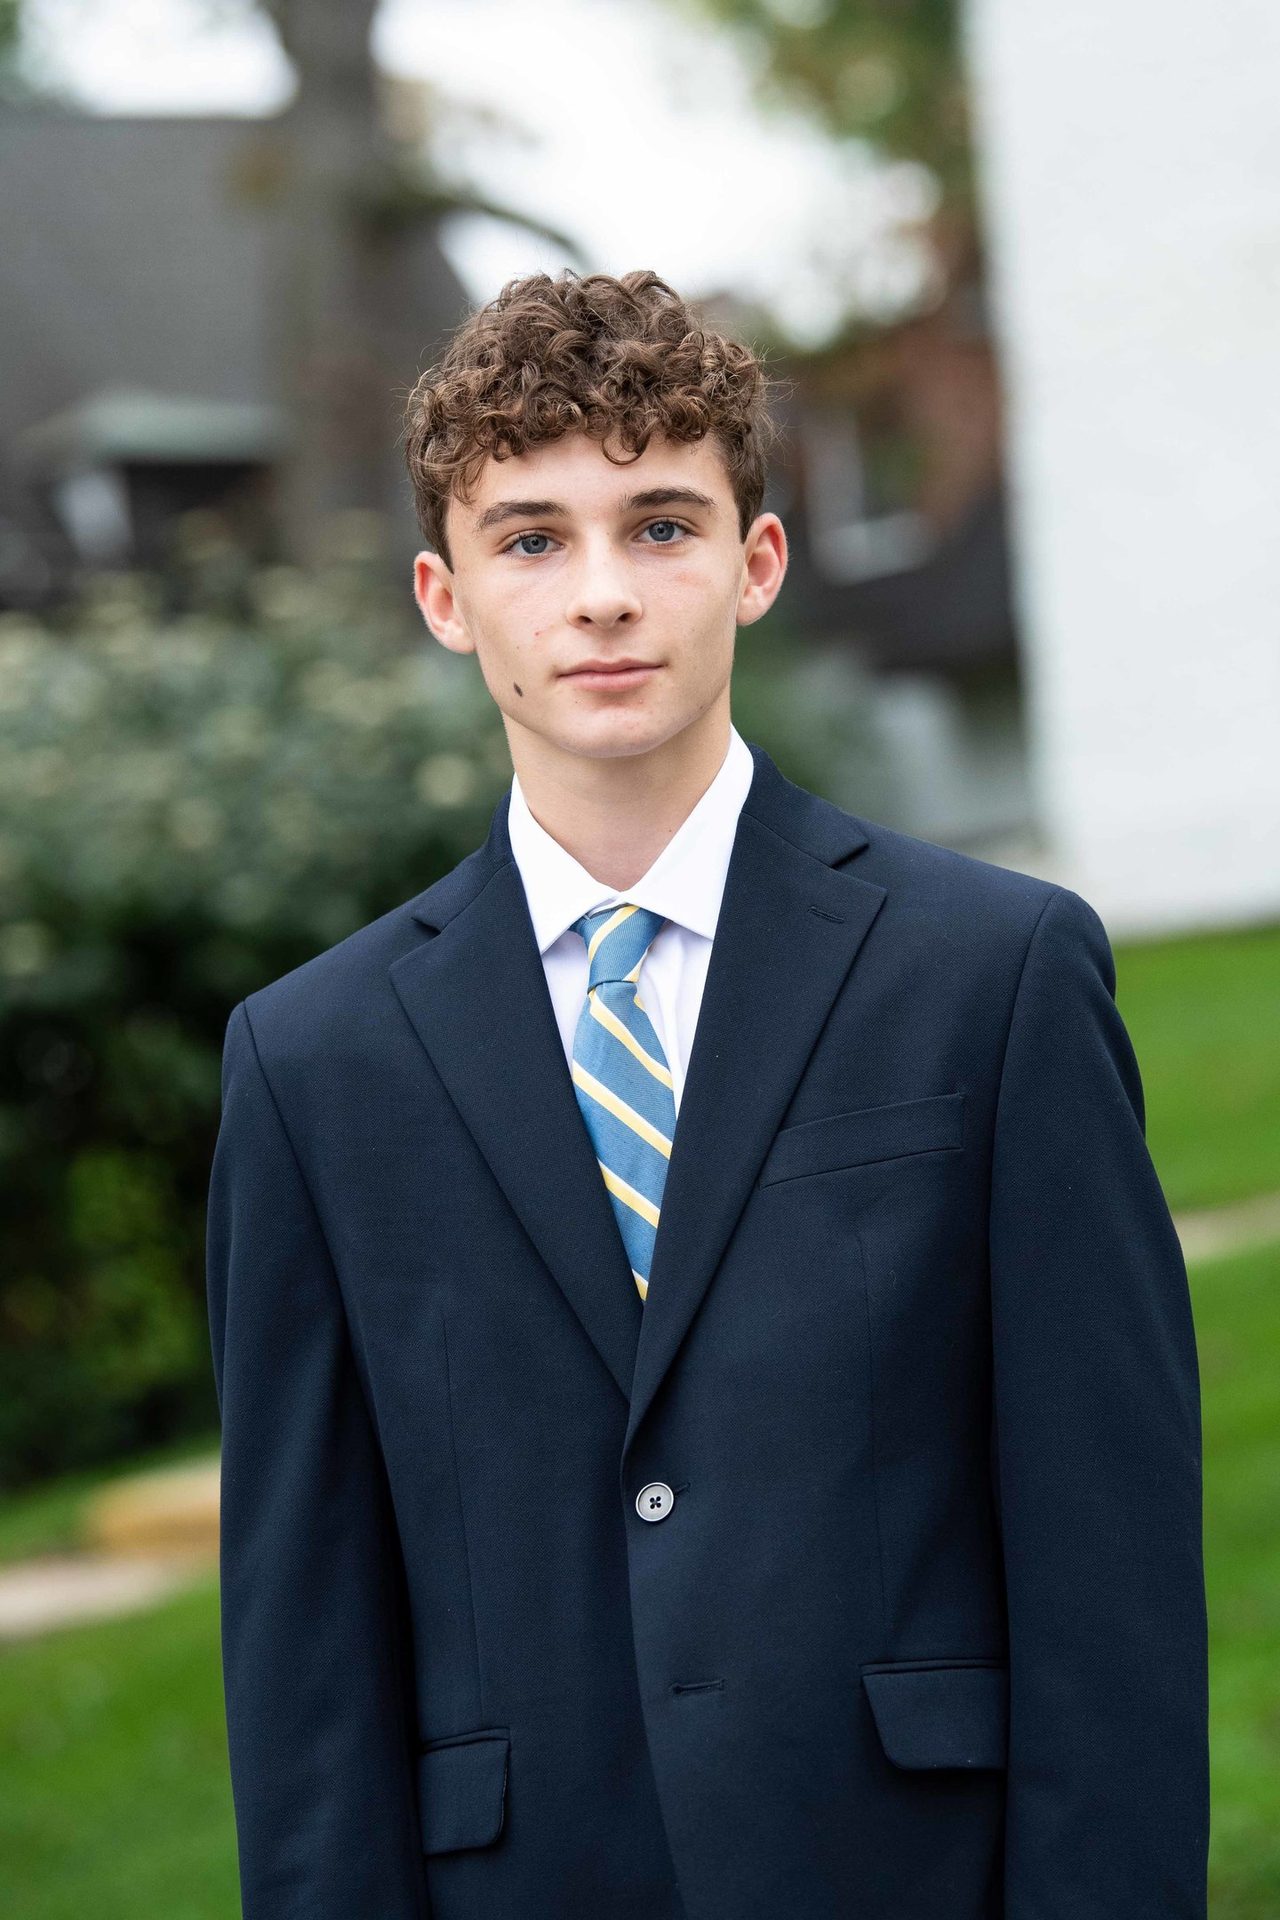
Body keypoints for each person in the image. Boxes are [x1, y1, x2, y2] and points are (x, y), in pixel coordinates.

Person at [205, 268, 1209, 1920]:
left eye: (659, 524)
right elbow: (304, 1650)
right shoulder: (314, 1066)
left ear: (755, 566)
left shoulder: (994, 977)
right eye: (531, 538)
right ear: (445, 599)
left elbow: (1112, 1577)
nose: (601, 593)